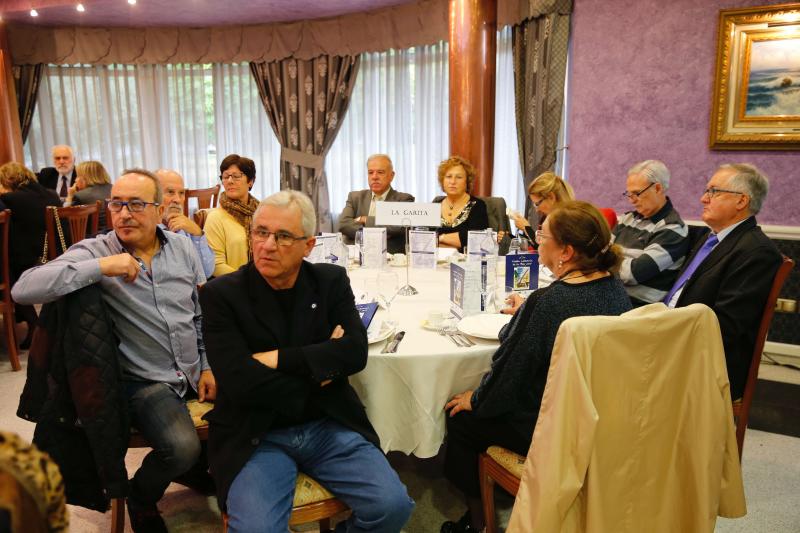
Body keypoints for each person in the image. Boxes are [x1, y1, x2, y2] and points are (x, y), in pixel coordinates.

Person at [12, 169, 216, 533]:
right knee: (181, 447)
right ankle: (141, 496)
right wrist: (101, 268)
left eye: (136, 204)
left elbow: (199, 316)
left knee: (259, 404)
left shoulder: (182, 247)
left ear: (159, 209)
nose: (123, 213)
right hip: (143, 381)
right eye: (117, 204)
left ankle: (206, 473)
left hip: (191, 370)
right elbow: (23, 288)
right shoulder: (98, 250)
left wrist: (207, 365)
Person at [200, 190, 414, 533]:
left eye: (283, 236)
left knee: (393, 508)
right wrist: (320, 368)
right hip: (256, 432)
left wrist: (280, 359)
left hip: (328, 422)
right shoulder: (222, 295)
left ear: (308, 245)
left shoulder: (329, 282)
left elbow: (356, 353)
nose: (268, 245)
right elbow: (239, 383)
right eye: (261, 233)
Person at [441, 201, 632, 533]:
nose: (537, 239)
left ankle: (478, 522)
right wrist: (527, 314)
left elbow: (510, 376)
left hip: (553, 427)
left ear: (567, 251)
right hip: (604, 415)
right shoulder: (613, 287)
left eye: (543, 235)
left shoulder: (548, 303)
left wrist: (477, 398)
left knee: (461, 417)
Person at [665, 163, 781, 400]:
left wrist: (664, 336)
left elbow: (726, 327)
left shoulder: (756, 252)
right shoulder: (712, 239)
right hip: (675, 340)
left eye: (713, 191)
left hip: (705, 362)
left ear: (741, 201)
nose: (703, 198)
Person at [0, 162, 62, 348]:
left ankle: (33, 324)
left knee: (8, 271)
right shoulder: (51, 194)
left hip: (29, 261)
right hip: (56, 256)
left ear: (8, 180)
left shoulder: (9, 199)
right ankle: (35, 323)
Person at [611, 160, 689, 306]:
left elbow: (633, 273)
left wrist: (604, 264)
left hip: (636, 308)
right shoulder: (628, 218)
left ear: (658, 189)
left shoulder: (672, 228)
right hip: (611, 295)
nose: (632, 200)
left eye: (636, 193)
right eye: (628, 194)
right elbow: (600, 251)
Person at [337, 154, 415, 253]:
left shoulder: (404, 199)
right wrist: (379, 233)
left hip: (390, 258)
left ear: (391, 176)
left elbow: (397, 228)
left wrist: (365, 219)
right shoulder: (355, 197)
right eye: (370, 172)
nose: (374, 177)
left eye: (380, 172)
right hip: (357, 256)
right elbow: (343, 225)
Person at [204, 154, 260, 277]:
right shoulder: (215, 218)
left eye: (236, 176)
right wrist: (249, 281)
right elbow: (216, 265)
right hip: (235, 286)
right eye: (225, 176)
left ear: (250, 181)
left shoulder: (262, 214)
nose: (229, 181)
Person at [155, 168, 215, 278]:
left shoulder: (185, 227)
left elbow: (207, 272)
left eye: (181, 193)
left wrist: (197, 233)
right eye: (170, 192)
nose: (177, 199)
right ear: (153, 195)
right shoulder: (147, 231)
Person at [434, 156, 489, 252]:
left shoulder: (477, 206)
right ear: (442, 181)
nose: (453, 182)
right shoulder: (435, 205)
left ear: (467, 182)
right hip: (436, 262)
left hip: (467, 263)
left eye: (459, 177)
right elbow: (425, 240)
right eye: (448, 177)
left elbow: (475, 240)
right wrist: (456, 243)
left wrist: (441, 238)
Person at [509, 171, 574, 245]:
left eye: (537, 204)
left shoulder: (569, 223)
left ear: (551, 197)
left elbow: (545, 249)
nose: (537, 210)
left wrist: (526, 228)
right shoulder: (546, 218)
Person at [65, 160, 113, 230]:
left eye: (78, 176)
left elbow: (68, 222)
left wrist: (70, 197)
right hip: (115, 234)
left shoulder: (80, 196)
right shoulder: (115, 189)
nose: (75, 180)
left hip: (93, 237)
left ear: (85, 178)